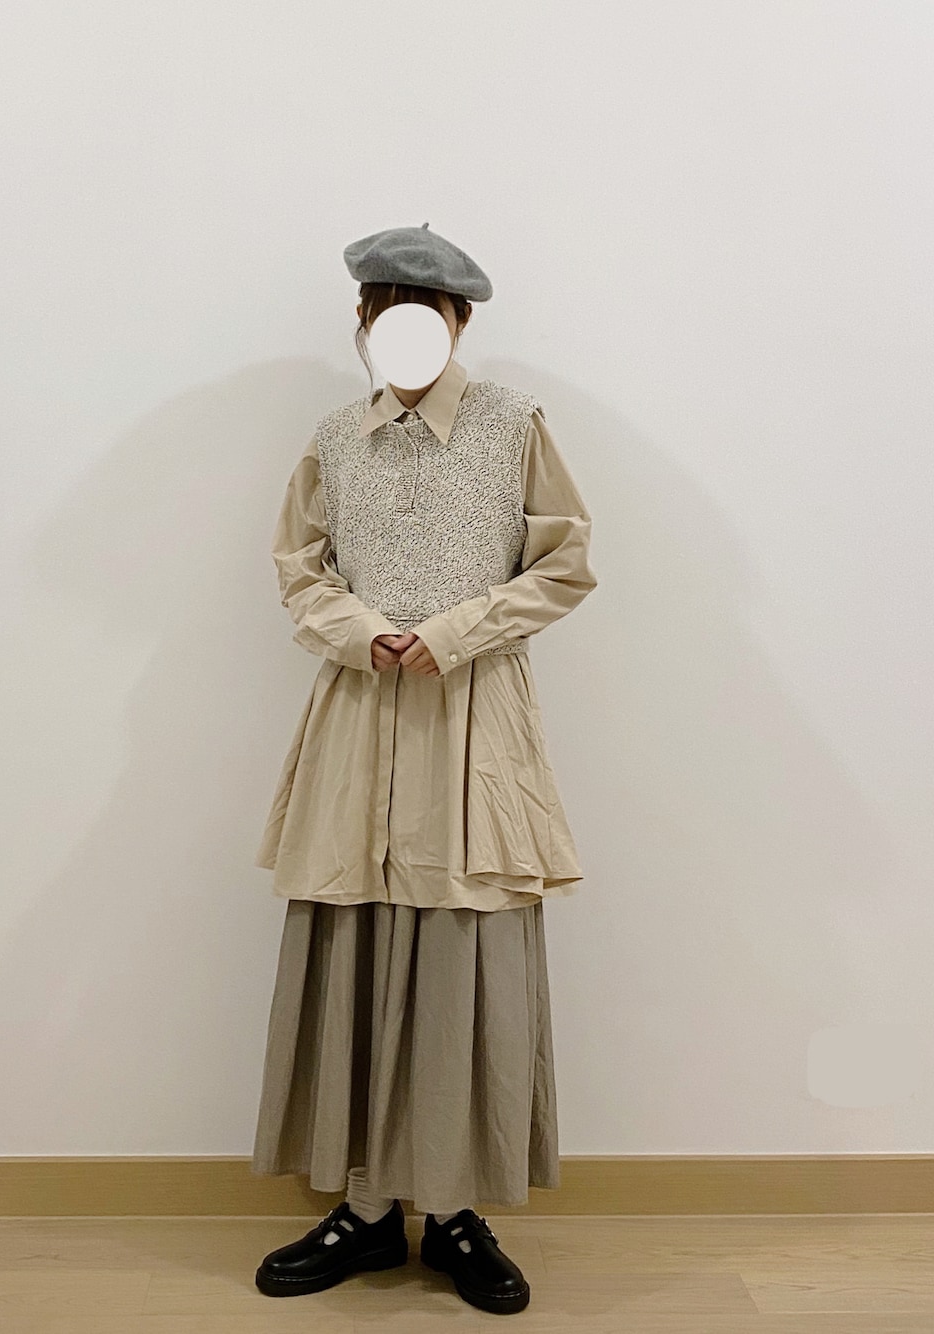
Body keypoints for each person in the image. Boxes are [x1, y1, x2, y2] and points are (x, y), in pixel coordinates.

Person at [250, 222, 597, 1316]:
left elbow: (566, 560)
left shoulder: (512, 424)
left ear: (459, 321)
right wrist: (360, 632)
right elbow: (298, 566)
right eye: (382, 312)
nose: (401, 330)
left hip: (473, 719)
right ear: (362, 323)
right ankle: (362, 1209)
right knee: (351, 939)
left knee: (463, 951)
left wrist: (453, 632)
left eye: (425, 313)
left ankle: (451, 1211)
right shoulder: (334, 437)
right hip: (357, 716)